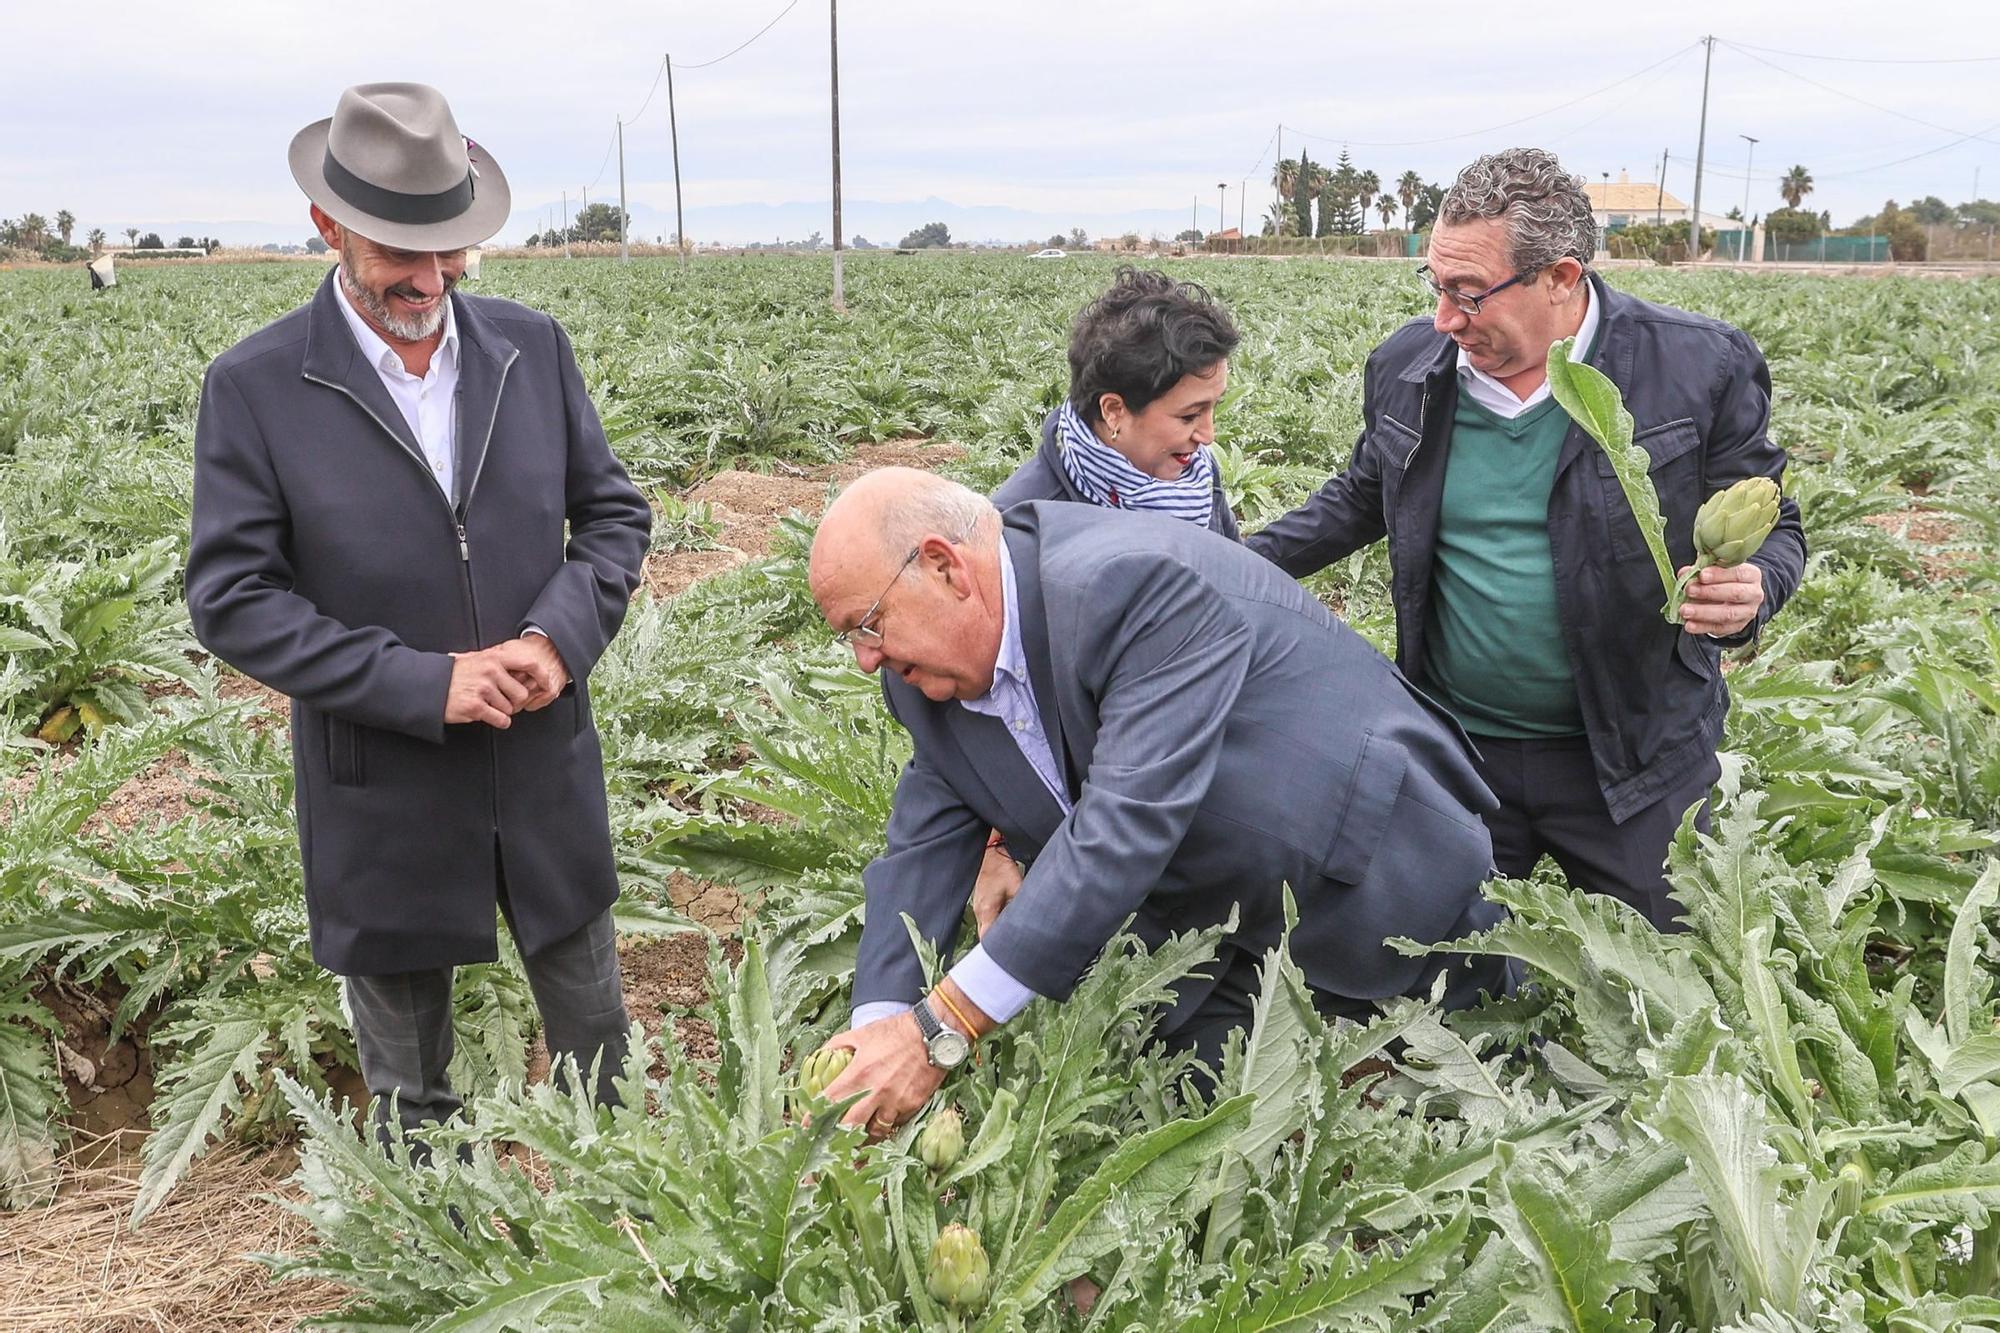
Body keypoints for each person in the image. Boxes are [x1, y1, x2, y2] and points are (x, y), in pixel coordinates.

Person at [185, 83, 652, 1143]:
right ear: (329, 225)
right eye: (403, 251)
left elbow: (615, 517)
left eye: (452, 251)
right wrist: (423, 681)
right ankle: (432, 1277)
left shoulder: (531, 350)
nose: (431, 278)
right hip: (381, 787)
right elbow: (231, 599)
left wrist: (555, 638)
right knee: (412, 1104)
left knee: (601, 1062)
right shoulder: (256, 386)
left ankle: (634, 1254)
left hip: (541, 765)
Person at [808, 468, 1511, 1135]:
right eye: (850, 637)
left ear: (944, 566)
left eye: (867, 623)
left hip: (1367, 866)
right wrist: (872, 1036)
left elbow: (1123, 825)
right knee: (1197, 1160)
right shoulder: (923, 678)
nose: (865, 659)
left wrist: (937, 1028)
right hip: (1205, 924)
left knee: (1502, 1087)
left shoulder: (1121, 584)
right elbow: (921, 850)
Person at [1247, 148, 1805, 929]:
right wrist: (1225, 565)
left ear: (1561, 279)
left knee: (1670, 997)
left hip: (1635, 761)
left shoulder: (1698, 365)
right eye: (1436, 287)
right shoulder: (1409, 365)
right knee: (1439, 990)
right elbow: (1363, 496)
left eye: (1469, 294)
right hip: (1456, 755)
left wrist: (1756, 588)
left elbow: (1778, 523)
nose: (1445, 318)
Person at [993, 267, 1240, 537]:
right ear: (1113, 411)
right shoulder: (1021, 526)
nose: (1208, 436)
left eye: (1214, 406)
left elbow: (1235, 572)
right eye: (1189, 416)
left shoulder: (1197, 473)